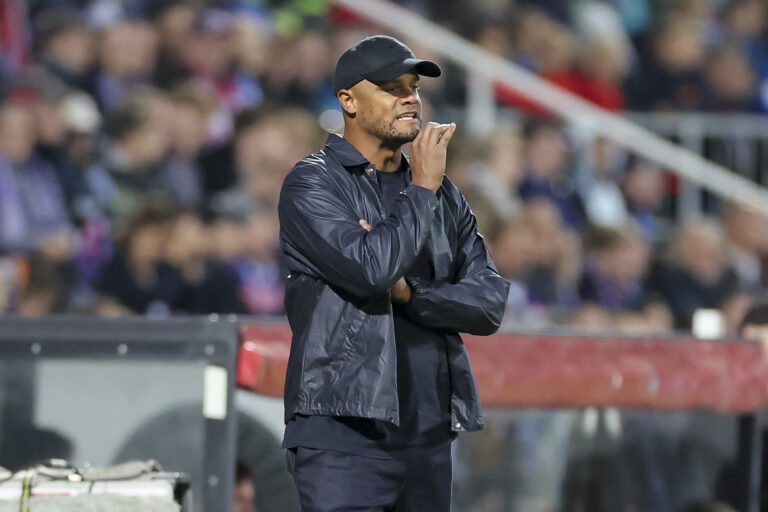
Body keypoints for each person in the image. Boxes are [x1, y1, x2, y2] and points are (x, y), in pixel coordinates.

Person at [278, 35, 510, 511]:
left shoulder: (445, 195)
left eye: (413, 87)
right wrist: (421, 189)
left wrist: (412, 295)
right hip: (345, 434)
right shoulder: (314, 182)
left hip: (427, 436)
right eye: (390, 87)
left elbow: (489, 303)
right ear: (348, 100)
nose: (410, 98)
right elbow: (374, 270)